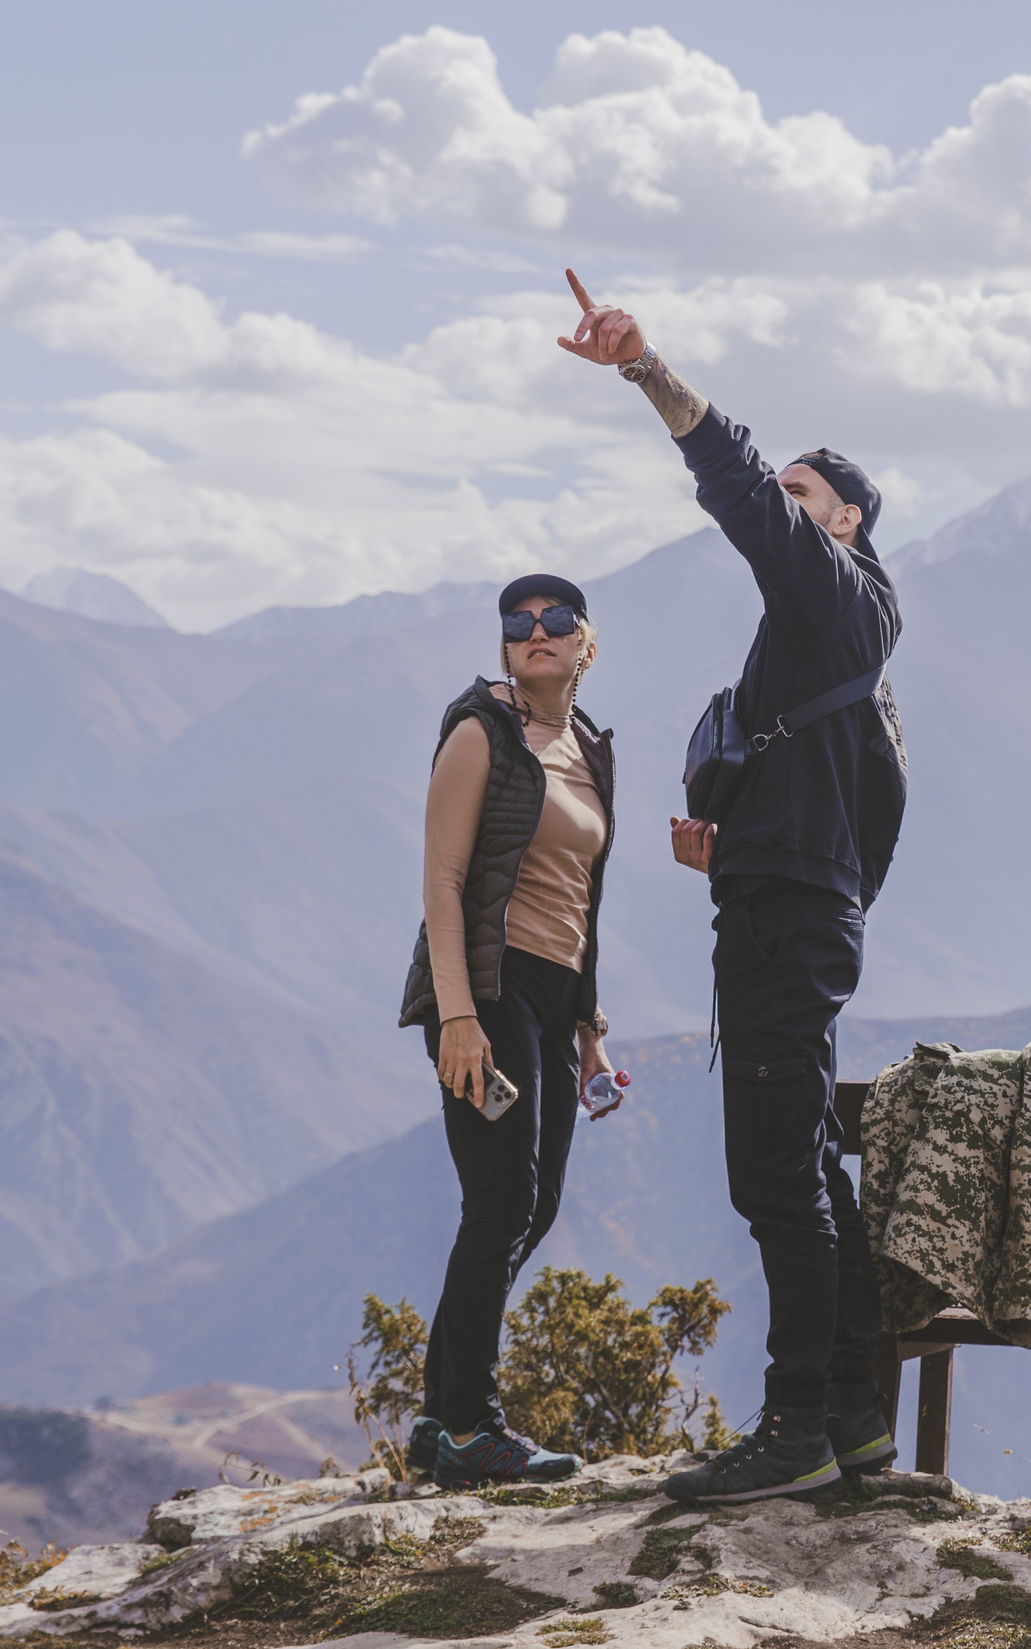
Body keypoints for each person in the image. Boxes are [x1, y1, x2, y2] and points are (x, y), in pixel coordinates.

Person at [556, 270, 908, 1503]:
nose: (789, 512)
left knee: (772, 1177)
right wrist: (748, 842)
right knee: (806, 1168)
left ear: (849, 522)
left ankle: (795, 1427)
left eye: (811, 500)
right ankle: (853, 1421)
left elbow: (744, 486)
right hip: (788, 911)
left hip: (786, 934)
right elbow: (862, 817)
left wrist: (648, 369)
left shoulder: (834, 596)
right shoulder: (835, 644)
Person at [396, 574, 623, 1488]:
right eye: (517, 622)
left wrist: (590, 1027)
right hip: (484, 990)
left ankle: (439, 1414)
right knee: (500, 1202)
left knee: (537, 1202)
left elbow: (584, 901)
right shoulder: (478, 734)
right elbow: (442, 882)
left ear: (585, 643)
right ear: (503, 646)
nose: (536, 631)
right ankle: (472, 1426)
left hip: (551, 994)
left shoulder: (591, 748)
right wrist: (457, 1015)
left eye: (556, 619)